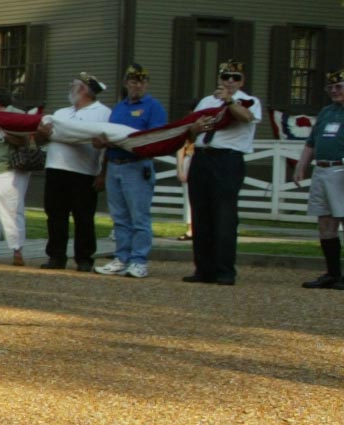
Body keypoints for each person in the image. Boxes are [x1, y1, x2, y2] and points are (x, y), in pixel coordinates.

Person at [184, 60, 260, 286]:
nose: (229, 81)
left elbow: (245, 117)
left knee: (224, 216)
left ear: (242, 80)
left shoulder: (249, 101)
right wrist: (196, 127)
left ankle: (225, 270)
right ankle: (203, 269)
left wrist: (229, 100)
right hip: (202, 156)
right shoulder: (207, 101)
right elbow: (192, 130)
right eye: (226, 76)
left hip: (227, 159)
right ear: (219, 78)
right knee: (200, 213)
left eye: (235, 77)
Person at [35, 74, 110, 272]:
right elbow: (41, 140)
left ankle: (84, 258)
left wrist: (103, 174)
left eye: (74, 85)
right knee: (55, 215)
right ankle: (56, 256)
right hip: (55, 169)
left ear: (84, 89)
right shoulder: (60, 113)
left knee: (84, 217)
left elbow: (108, 146)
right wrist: (41, 135)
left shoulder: (103, 113)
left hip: (84, 172)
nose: (70, 88)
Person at [98, 65, 166, 278]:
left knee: (139, 216)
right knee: (119, 217)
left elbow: (156, 137)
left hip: (137, 165)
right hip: (115, 163)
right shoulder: (119, 108)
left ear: (146, 84)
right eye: (133, 81)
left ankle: (139, 260)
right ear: (126, 83)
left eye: (141, 81)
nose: (137, 85)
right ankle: (121, 257)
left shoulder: (153, 107)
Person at [0, 80, 41, 265]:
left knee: (11, 211)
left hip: (7, 170)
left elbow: (27, 139)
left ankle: (17, 252)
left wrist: (3, 132)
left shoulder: (16, 116)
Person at [295, 68, 344, 290]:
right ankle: (332, 273)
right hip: (322, 170)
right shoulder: (326, 112)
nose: (334, 91)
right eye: (331, 87)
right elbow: (311, 143)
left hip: (342, 169)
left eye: (339, 86)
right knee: (325, 224)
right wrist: (301, 165)